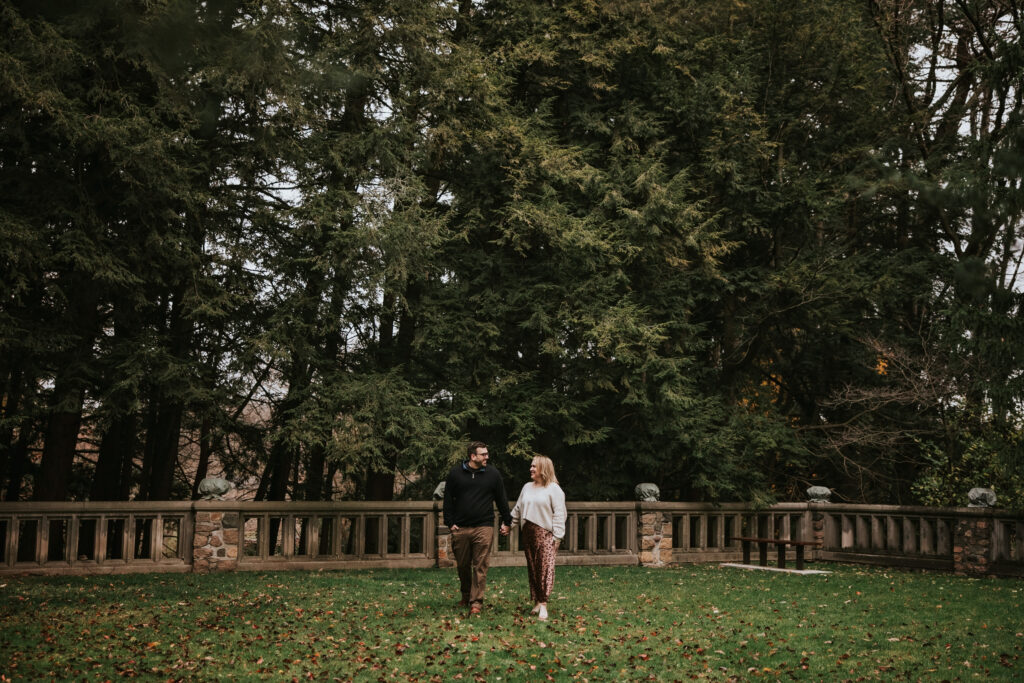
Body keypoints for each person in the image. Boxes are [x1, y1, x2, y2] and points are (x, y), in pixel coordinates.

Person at [442, 441, 512, 615]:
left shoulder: (493, 474)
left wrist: (507, 521)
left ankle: (476, 602)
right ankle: (466, 595)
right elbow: (448, 499)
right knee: (463, 565)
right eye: (483, 454)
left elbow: (501, 499)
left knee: (480, 565)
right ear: (473, 456)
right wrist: (450, 523)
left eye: (487, 454)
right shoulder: (455, 474)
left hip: (484, 525)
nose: (487, 457)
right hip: (461, 528)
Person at [510, 455, 567, 621]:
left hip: (545, 534)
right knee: (533, 569)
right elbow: (518, 509)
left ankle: (543, 604)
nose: (531, 469)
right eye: (531, 466)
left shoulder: (554, 489)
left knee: (545, 569)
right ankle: (536, 601)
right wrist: (508, 524)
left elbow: (559, 514)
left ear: (543, 468)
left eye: (534, 466)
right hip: (528, 533)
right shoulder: (527, 487)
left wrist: (558, 537)